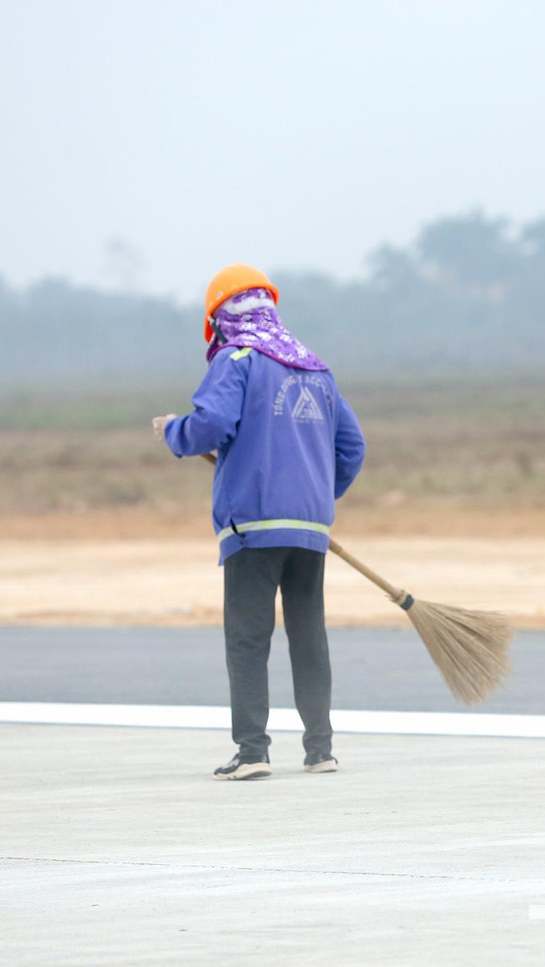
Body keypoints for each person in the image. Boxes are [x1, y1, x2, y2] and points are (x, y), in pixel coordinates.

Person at [153, 264, 365, 781]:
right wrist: (315, 493)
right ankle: (320, 751)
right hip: (310, 529)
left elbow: (210, 425)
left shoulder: (238, 359)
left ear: (220, 317)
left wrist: (173, 432)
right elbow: (352, 448)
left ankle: (253, 752)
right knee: (308, 633)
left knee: (248, 638)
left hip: (253, 526)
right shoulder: (316, 368)